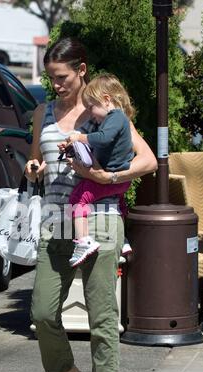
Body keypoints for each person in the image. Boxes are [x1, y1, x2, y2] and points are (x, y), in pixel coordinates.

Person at [25, 37, 157, 372]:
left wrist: (109, 176)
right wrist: (34, 169)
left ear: (81, 70)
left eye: (62, 77)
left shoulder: (104, 109)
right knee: (43, 313)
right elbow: (37, 159)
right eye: (51, 78)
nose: (56, 85)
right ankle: (65, 371)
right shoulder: (42, 112)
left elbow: (148, 159)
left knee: (102, 317)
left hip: (98, 219)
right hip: (55, 221)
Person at [58, 73, 134, 267]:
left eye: (91, 107)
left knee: (78, 198)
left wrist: (80, 138)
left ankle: (83, 242)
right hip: (120, 182)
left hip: (111, 178)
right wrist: (73, 148)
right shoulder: (117, 120)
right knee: (121, 204)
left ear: (106, 100)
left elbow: (103, 138)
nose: (90, 113)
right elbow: (103, 146)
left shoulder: (115, 117)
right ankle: (123, 242)